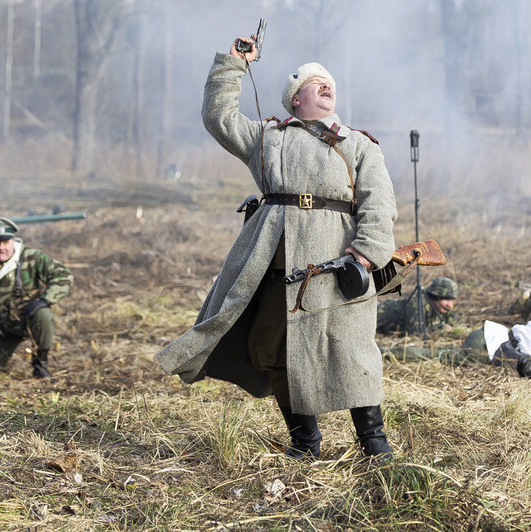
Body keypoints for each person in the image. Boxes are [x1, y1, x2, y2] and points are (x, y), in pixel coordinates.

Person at [156, 34, 397, 460]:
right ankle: (306, 442)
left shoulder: (358, 145)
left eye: (329, 82)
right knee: (269, 348)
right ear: (295, 99)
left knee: (352, 348)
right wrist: (232, 65)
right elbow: (219, 117)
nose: (326, 85)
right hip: (274, 261)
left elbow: (379, 205)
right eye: (314, 82)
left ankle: (375, 447)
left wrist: (363, 256)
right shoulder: (269, 138)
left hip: (337, 261)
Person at [0, 217, 73, 378]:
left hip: (28, 319)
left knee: (43, 315)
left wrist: (44, 300)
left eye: (6, 242)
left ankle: (40, 363)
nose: (1, 247)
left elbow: (63, 275)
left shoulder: (31, 257)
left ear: (13, 241)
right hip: (0, 328)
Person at [376, 276, 460, 335]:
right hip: (378, 313)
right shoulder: (419, 304)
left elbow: (454, 324)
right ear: (435, 297)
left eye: (452, 300)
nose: (449, 305)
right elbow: (415, 332)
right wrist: (441, 329)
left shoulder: (443, 307)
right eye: (446, 299)